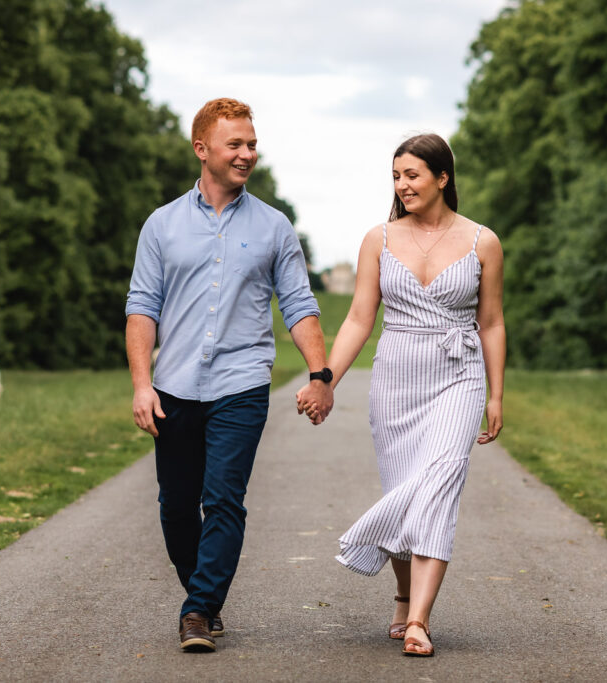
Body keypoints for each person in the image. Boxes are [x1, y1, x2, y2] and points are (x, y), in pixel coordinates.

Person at [126, 97, 334, 653]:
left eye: (252, 143)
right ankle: (204, 593)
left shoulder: (273, 227)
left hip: (242, 384)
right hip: (173, 386)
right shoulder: (162, 225)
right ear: (202, 150)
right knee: (176, 506)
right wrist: (142, 385)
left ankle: (198, 610)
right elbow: (142, 307)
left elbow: (298, 304)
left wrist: (321, 374)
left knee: (223, 500)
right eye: (235, 144)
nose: (248, 154)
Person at [296, 133, 505, 657]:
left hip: (459, 376)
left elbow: (493, 323)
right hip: (396, 380)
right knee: (405, 486)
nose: (402, 185)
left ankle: (419, 621)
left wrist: (496, 396)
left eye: (412, 175)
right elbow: (360, 319)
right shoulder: (380, 239)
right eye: (395, 176)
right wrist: (325, 379)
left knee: (439, 483)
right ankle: (403, 593)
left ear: (442, 177)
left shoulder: (484, 242)